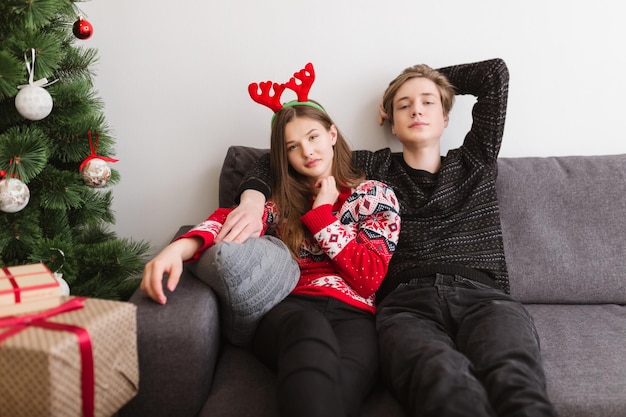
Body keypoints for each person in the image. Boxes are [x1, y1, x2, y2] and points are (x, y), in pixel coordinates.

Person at [220, 58, 558, 417]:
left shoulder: (476, 160)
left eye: (428, 102)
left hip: (483, 297)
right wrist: (253, 199)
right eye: (403, 105)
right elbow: (280, 157)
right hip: (406, 306)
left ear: (445, 118)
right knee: (442, 383)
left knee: (514, 379)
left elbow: (494, 75)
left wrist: (418, 82)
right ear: (392, 124)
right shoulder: (373, 168)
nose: (416, 110)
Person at [141, 63, 401, 417]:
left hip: (354, 315)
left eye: (313, 137)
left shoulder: (376, 196)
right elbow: (228, 224)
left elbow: (368, 276)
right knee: (308, 332)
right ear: (285, 157)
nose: (307, 152)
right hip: (289, 310)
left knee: (341, 386)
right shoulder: (278, 202)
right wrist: (177, 248)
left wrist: (323, 213)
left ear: (332, 135)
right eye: (293, 147)